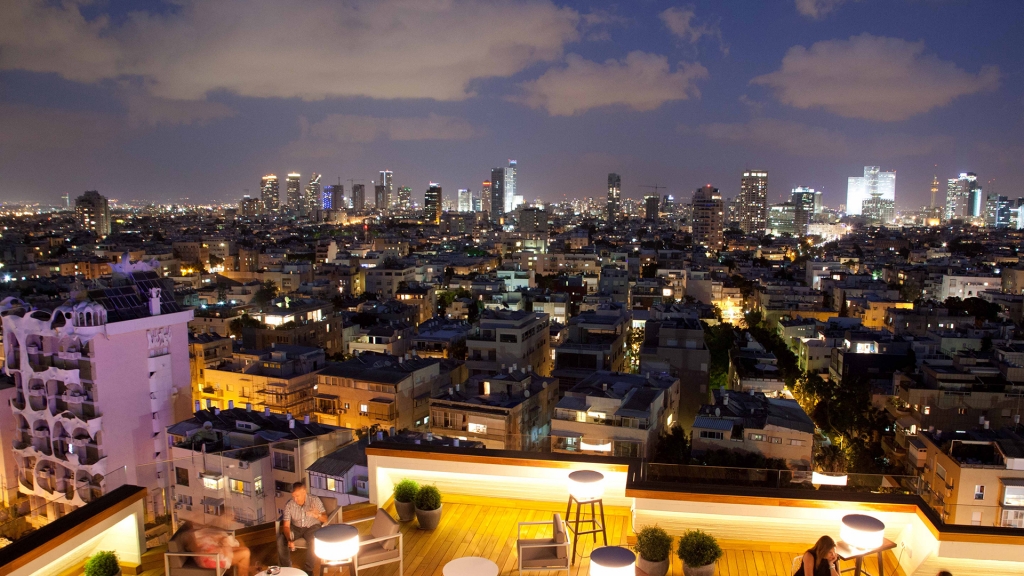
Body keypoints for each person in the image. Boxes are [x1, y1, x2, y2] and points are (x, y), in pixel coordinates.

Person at [277, 481, 329, 573]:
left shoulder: (314, 500)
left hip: (312, 527)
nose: (295, 499)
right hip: (296, 528)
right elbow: (286, 526)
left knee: (314, 541)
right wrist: (289, 539)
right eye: (293, 496)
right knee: (281, 539)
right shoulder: (289, 504)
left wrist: (317, 515)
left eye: (297, 496)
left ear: (304, 492)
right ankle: (287, 569)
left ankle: (308, 570)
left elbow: (325, 519)